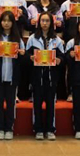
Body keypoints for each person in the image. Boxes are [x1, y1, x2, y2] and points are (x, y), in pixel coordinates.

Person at [26, 11, 64, 140]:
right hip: (37, 77)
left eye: (47, 21)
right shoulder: (32, 38)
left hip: (51, 78)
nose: (45, 23)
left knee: (50, 105)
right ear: (39, 22)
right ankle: (38, 129)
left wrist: (59, 60)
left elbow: (62, 57)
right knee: (37, 104)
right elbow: (26, 56)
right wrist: (30, 58)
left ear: (51, 23)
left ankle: (50, 129)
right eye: (42, 20)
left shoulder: (57, 40)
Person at [0, 11, 26, 140]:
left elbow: (23, 59)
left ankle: (9, 128)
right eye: (4, 20)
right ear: (0, 22)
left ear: (13, 23)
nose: (6, 23)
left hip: (12, 76)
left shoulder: (18, 39)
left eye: (9, 21)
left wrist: (22, 54)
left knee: (10, 103)